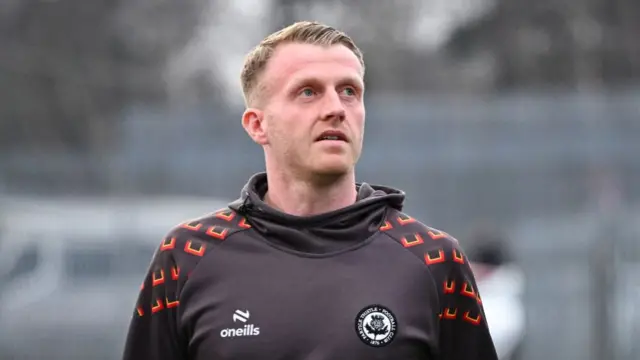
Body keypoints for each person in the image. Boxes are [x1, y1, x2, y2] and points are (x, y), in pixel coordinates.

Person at [122, 21, 499, 360]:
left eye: (349, 91)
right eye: (308, 92)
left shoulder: (433, 261)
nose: (336, 108)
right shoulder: (188, 257)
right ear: (257, 125)